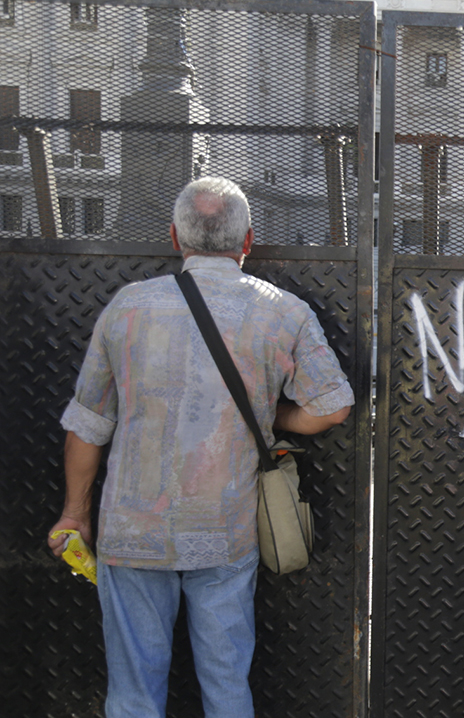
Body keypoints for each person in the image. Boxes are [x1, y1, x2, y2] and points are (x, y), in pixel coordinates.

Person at [47, 177, 354, 718]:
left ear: (173, 236)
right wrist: (274, 413)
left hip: (133, 531)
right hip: (225, 532)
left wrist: (75, 513)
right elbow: (332, 407)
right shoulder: (283, 311)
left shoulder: (127, 308)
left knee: (132, 694)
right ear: (248, 241)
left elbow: (88, 424)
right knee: (226, 686)